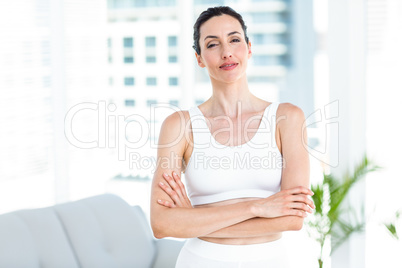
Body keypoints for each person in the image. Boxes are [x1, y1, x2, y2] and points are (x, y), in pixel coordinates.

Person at [150, 6, 314, 267]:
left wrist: (193, 220)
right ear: (199, 58)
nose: (226, 52)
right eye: (212, 44)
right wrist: (257, 208)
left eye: (234, 39)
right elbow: (161, 224)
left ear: (249, 48)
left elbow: (293, 219)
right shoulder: (180, 125)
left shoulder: (288, 118)